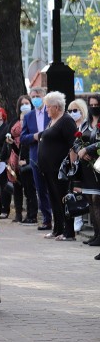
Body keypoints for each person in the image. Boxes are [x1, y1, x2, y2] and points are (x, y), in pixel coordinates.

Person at [38, 91, 78, 241]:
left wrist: (72, 167)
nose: (46, 109)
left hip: (60, 169)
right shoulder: (52, 120)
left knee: (63, 199)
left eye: (48, 107)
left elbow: (73, 144)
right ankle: (58, 229)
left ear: (56, 107)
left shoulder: (66, 121)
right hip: (48, 169)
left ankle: (69, 232)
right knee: (54, 199)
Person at [20, 86, 53, 231]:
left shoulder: (50, 112)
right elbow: (22, 137)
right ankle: (47, 219)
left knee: (53, 187)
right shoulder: (28, 116)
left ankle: (59, 218)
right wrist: (34, 136)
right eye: (32, 96)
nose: (35, 98)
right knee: (40, 189)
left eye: (37, 95)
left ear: (44, 96)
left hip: (51, 155)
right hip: (35, 156)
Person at [7, 96, 38, 225]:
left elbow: (29, 140)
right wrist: (11, 143)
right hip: (15, 156)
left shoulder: (33, 119)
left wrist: (26, 159)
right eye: (22, 104)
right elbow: (13, 141)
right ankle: (18, 214)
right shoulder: (14, 120)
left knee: (29, 189)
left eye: (27, 103)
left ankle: (32, 215)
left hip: (27, 156)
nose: (25, 105)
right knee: (17, 187)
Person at [77, 95, 100, 248]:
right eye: (91, 104)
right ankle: (96, 234)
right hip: (87, 167)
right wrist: (80, 150)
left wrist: (88, 149)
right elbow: (76, 140)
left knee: (97, 201)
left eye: (97, 104)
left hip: (98, 166)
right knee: (90, 201)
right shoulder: (85, 124)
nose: (93, 107)